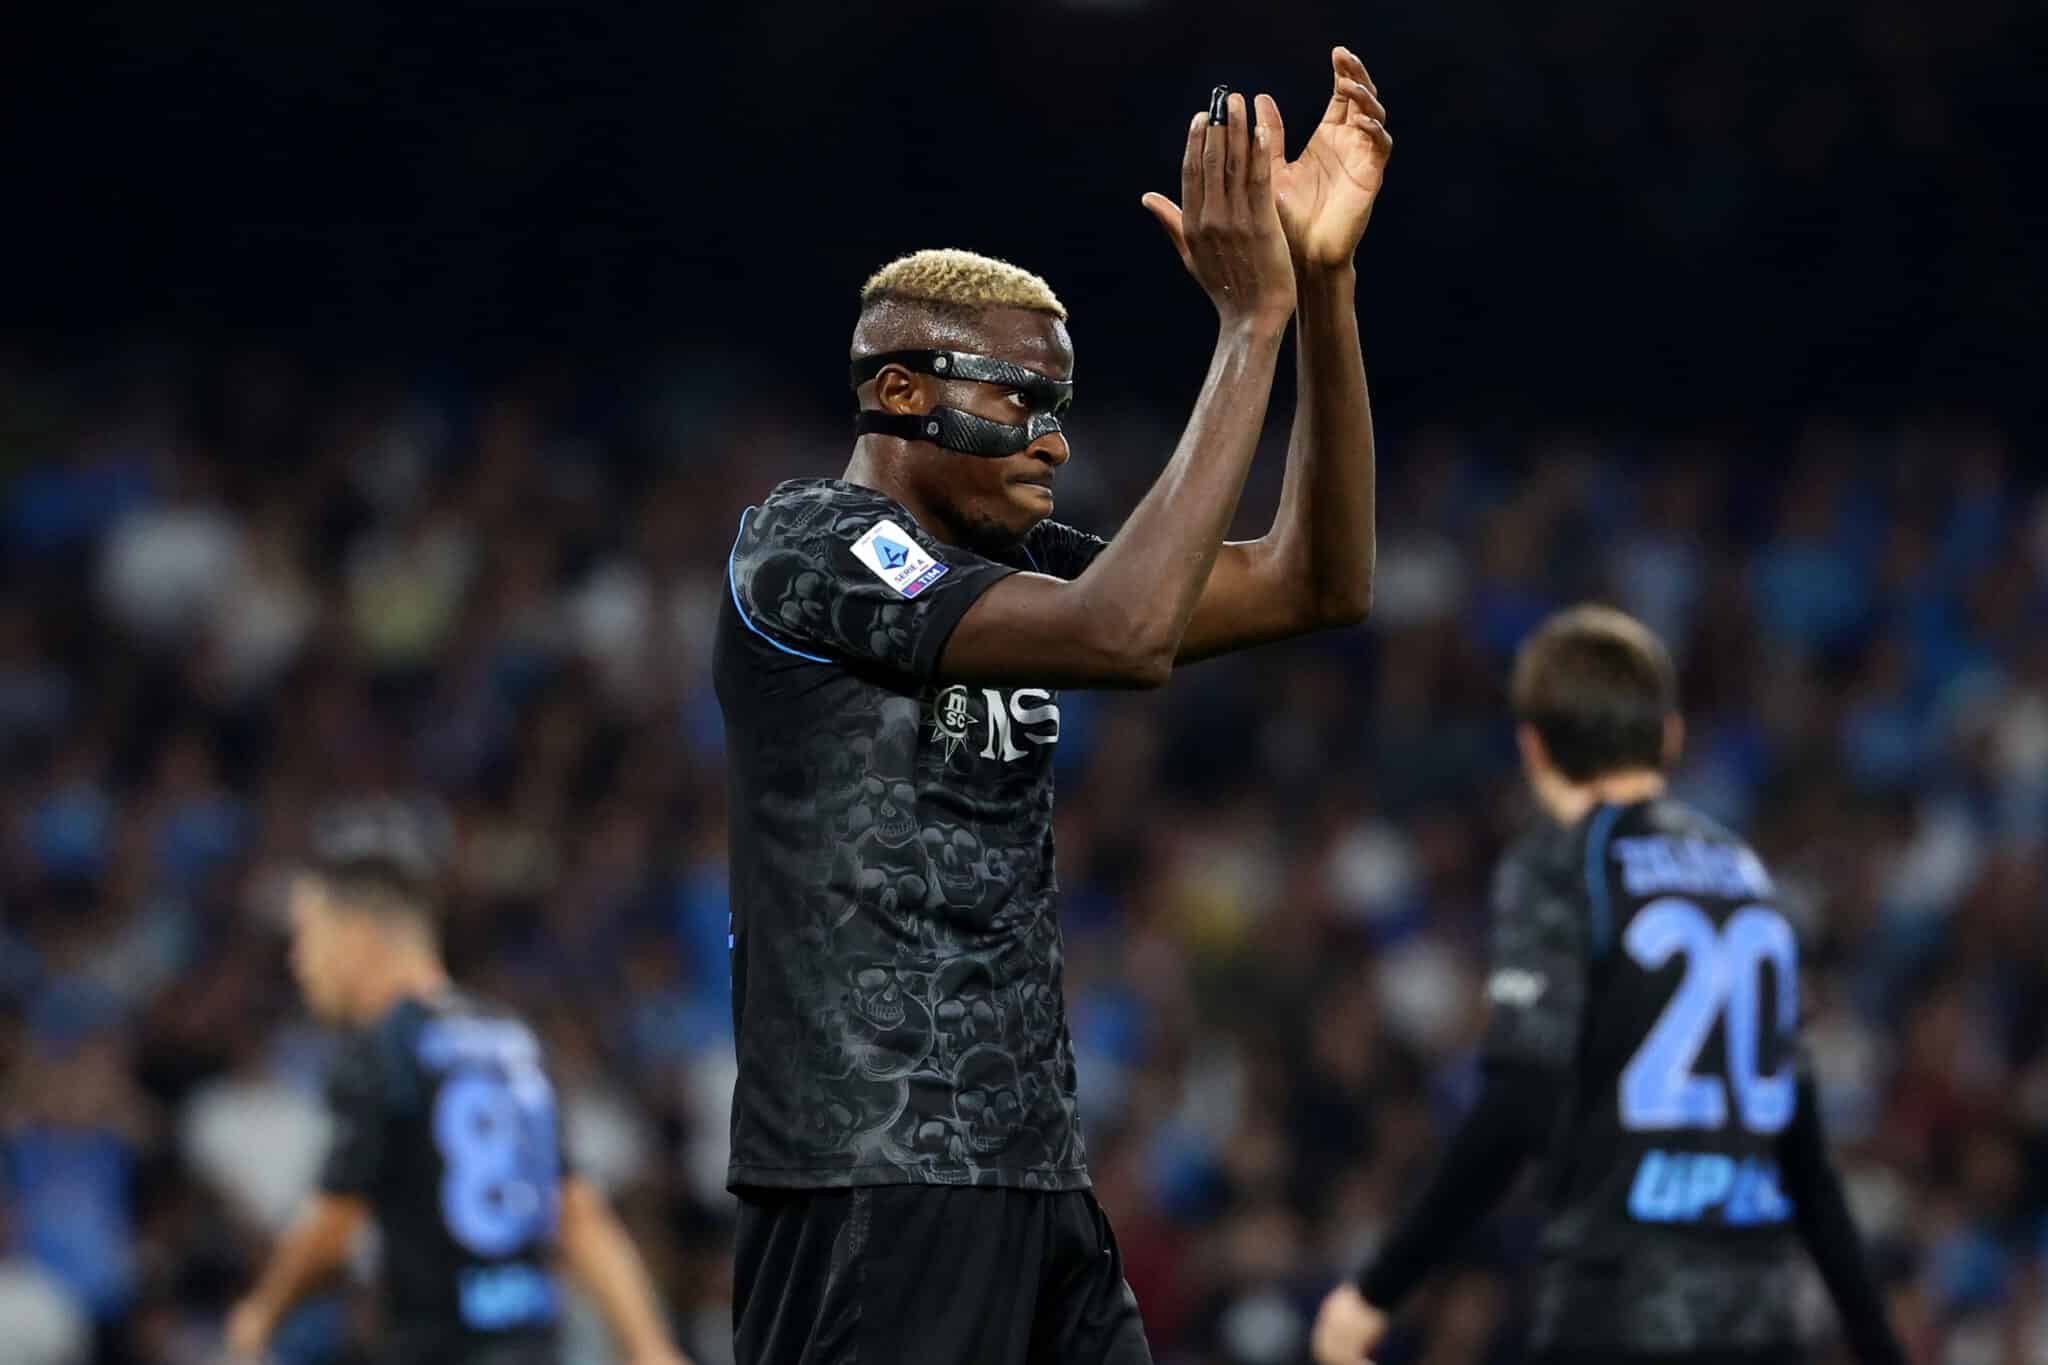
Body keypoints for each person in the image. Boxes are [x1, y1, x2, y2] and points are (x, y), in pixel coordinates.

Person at [716, 47, 1391, 1365]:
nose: (1053, 439)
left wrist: (1320, 289)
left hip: (1032, 1171)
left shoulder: (1016, 572)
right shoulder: (804, 547)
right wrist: (1245, 327)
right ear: (902, 394)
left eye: (1061, 406)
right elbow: (1127, 635)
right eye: (1017, 400)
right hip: (871, 1174)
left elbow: (1321, 579)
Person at [1310, 605, 1910, 1365]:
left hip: (1618, 1304)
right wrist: (1882, 1349)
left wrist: (1376, 1290)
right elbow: (1807, 1164)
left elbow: (1521, 1098)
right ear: (1670, 736)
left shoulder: (1562, 865)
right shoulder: (1747, 877)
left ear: (1534, 747)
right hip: (1758, 1319)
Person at [226, 809, 690, 1365]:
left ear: (358, 934)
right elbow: (579, 1214)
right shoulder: (508, 1038)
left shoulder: (384, 1049)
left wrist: (259, 1314)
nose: (298, 961)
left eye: (308, 934)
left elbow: (333, 1228)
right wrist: (649, 1345)